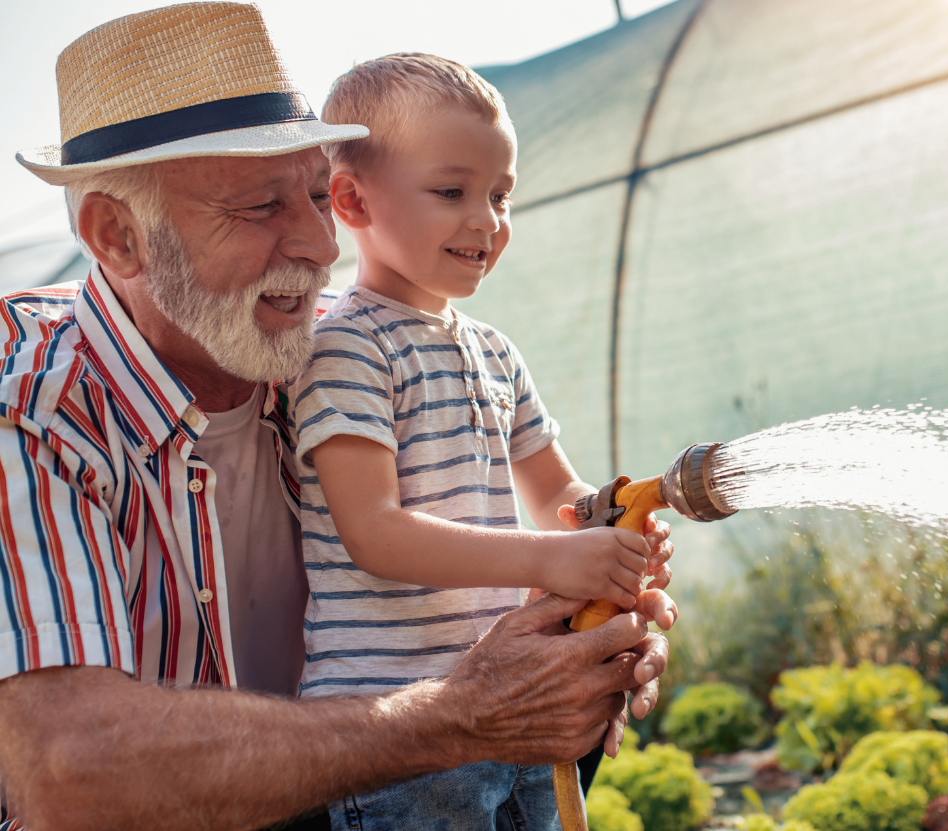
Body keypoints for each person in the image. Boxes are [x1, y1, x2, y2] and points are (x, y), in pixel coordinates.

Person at [0, 5, 676, 831]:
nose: (321, 244)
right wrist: (458, 712)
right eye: (260, 207)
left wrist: (591, 624)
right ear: (117, 236)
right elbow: (74, 778)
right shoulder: (34, 412)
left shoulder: (320, 346)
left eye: (319, 194)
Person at [289, 54, 675, 830]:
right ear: (352, 200)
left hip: (519, 702)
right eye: (452, 191)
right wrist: (547, 558)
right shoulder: (346, 349)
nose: (487, 220)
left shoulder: (496, 351)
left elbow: (559, 499)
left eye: (501, 195)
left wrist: (613, 530)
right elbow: (375, 532)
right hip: (399, 735)